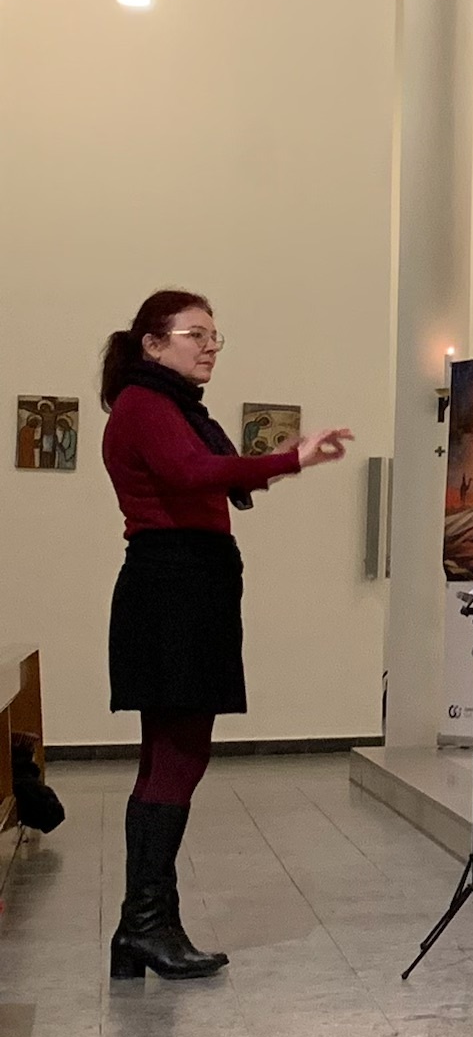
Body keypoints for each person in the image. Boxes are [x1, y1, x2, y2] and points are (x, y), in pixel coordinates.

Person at [100, 289, 352, 978]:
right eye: (196, 334)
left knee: (170, 755)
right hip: (174, 586)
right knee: (177, 756)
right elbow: (194, 473)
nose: (210, 345)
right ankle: (145, 925)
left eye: (216, 336)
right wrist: (290, 459)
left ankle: (143, 925)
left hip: (185, 582)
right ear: (153, 343)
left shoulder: (166, 405)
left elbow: (202, 475)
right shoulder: (146, 406)